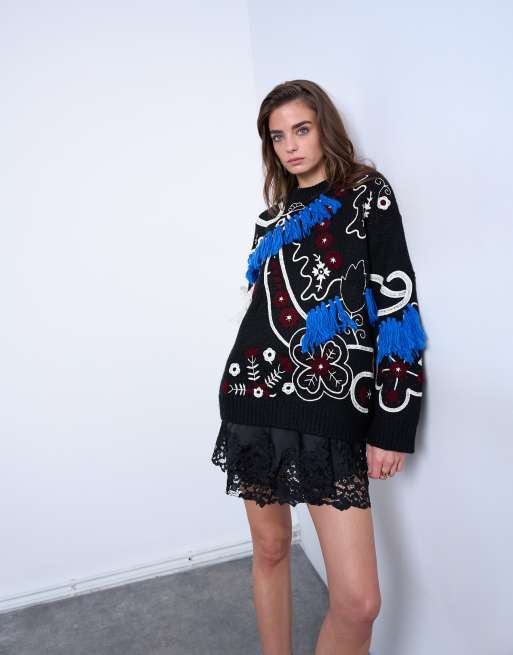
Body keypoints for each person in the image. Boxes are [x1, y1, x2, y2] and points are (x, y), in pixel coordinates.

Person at [210, 79, 427, 655]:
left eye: (301, 130)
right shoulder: (271, 220)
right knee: (271, 548)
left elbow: (398, 304)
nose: (290, 146)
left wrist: (393, 420)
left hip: (330, 407)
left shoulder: (367, 193)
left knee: (358, 602)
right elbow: (262, 312)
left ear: (324, 128)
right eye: (278, 136)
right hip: (255, 396)